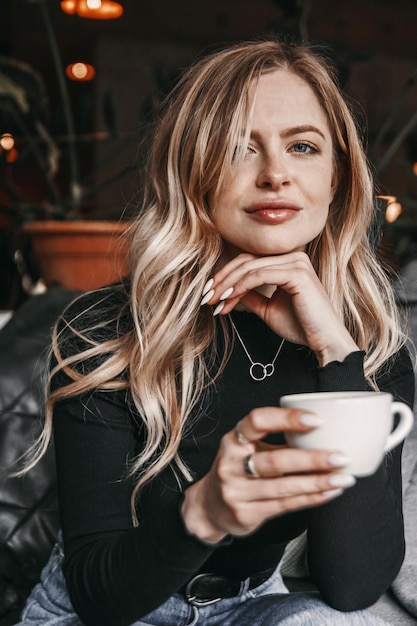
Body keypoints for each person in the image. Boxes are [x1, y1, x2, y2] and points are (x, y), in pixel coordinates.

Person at [18, 39, 414, 626]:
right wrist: (201, 513)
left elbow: (352, 584)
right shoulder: (104, 331)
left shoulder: (370, 347)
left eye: (302, 147)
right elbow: (101, 599)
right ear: (194, 175)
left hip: (250, 601)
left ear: (336, 181)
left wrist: (337, 357)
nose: (275, 174)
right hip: (106, 606)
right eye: (238, 149)